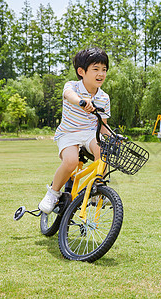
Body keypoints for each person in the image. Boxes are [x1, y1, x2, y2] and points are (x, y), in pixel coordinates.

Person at [38, 47, 111, 214]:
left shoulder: (104, 97)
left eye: (104, 70)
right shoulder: (72, 86)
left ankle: (97, 188)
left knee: (104, 149)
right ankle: (53, 193)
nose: (101, 74)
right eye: (95, 69)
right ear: (81, 71)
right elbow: (69, 95)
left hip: (91, 134)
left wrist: (114, 136)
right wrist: (82, 101)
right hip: (69, 133)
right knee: (70, 161)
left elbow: (104, 125)